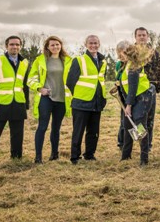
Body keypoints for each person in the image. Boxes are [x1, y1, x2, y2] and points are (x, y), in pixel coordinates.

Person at [0, 35, 30, 168]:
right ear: (6, 46)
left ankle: (16, 157)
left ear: (20, 46)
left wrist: (26, 104)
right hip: (0, 104)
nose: (15, 47)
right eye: (12, 44)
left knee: (17, 134)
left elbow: (24, 85)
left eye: (17, 44)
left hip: (18, 103)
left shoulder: (25, 63)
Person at [27, 36, 72, 164]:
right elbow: (31, 79)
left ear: (61, 45)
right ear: (47, 47)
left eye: (57, 44)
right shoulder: (40, 60)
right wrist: (39, 88)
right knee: (42, 127)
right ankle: (38, 157)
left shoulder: (68, 60)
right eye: (52, 45)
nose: (55, 47)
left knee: (56, 128)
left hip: (62, 99)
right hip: (46, 98)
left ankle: (54, 154)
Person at [66, 35, 107, 164]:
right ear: (86, 44)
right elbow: (70, 81)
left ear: (99, 44)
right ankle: (75, 157)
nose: (93, 45)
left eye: (95, 43)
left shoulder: (103, 61)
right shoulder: (78, 60)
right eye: (90, 43)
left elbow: (101, 80)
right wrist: (79, 94)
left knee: (93, 131)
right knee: (78, 131)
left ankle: (89, 154)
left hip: (97, 102)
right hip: (81, 102)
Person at [120, 43, 153, 166]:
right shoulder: (128, 65)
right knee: (128, 124)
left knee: (139, 125)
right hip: (135, 98)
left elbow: (133, 87)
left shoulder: (134, 65)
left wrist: (128, 105)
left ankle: (144, 159)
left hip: (141, 98)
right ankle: (125, 155)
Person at [134, 27, 160, 153]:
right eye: (139, 35)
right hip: (134, 91)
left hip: (150, 91)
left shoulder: (154, 53)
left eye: (144, 35)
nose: (142, 37)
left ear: (148, 37)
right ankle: (125, 144)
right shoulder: (130, 51)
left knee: (149, 119)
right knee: (133, 118)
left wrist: (157, 87)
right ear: (135, 37)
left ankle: (147, 144)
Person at [115, 41, 130, 150]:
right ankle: (122, 143)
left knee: (136, 119)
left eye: (124, 53)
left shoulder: (134, 64)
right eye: (120, 54)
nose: (122, 56)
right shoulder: (118, 64)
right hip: (122, 95)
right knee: (124, 120)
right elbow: (118, 78)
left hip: (133, 95)